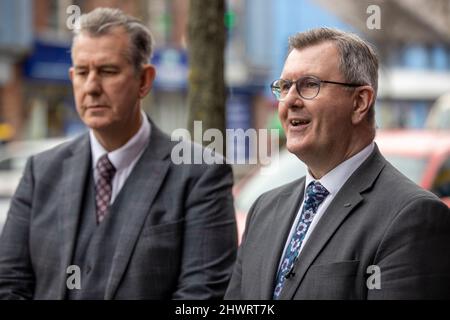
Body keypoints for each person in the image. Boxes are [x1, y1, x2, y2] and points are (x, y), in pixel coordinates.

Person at [0, 8, 237, 300]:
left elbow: (201, 297)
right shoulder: (42, 171)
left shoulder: (200, 174)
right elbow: (9, 283)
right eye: (83, 73)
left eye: (108, 71)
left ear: (144, 80)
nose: (92, 87)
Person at [225, 28, 450, 300]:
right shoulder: (264, 209)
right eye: (284, 87)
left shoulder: (412, 216)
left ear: (360, 102)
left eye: (309, 85)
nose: (291, 101)